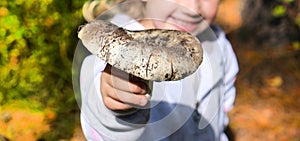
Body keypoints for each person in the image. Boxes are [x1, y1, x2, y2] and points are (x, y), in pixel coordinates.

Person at [75, 0, 239, 140]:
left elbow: (225, 95)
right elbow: (101, 126)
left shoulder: (217, 44)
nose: (193, 9)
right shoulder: (114, 50)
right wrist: (118, 107)